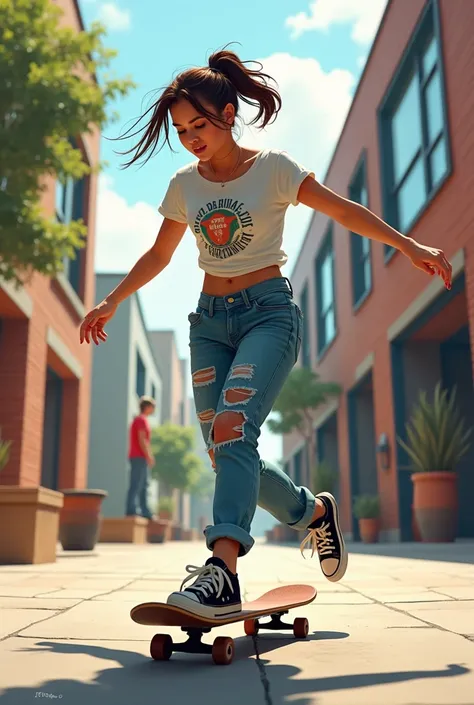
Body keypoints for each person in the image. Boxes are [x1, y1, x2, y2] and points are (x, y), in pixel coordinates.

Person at [79, 48, 452, 619]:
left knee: (231, 429)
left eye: (199, 125)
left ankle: (222, 569)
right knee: (225, 447)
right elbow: (159, 253)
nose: (191, 138)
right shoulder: (185, 185)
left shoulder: (274, 168)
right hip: (208, 323)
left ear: (229, 113)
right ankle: (311, 513)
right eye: (181, 130)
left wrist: (408, 245)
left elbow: (345, 211)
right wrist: (109, 301)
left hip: (266, 315)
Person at [125, 395, 156, 520]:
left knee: (143, 484)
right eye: (153, 406)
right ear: (147, 407)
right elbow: (142, 439)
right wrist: (149, 456)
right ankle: (131, 510)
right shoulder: (141, 420)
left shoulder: (141, 420)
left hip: (139, 457)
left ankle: (145, 511)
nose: (154, 409)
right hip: (139, 457)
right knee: (136, 483)